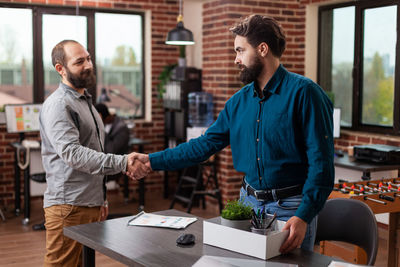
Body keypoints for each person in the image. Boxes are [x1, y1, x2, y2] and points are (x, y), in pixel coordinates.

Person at [128, 14, 334, 254]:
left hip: (290, 208)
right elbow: (203, 146)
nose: (236, 59)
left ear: (263, 49)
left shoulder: (305, 94)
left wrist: (304, 216)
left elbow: (322, 166)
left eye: (240, 51)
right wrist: (152, 161)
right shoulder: (238, 102)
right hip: (248, 204)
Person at [39, 40, 149, 267]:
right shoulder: (59, 105)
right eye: (79, 61)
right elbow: (73, 154)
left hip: (88, 201)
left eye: (88, 59)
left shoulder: (85, 101)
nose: (88, 65)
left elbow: (95, 151)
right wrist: (123, 162)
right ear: (60, 68)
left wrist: (101, 198)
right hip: (68, 205)